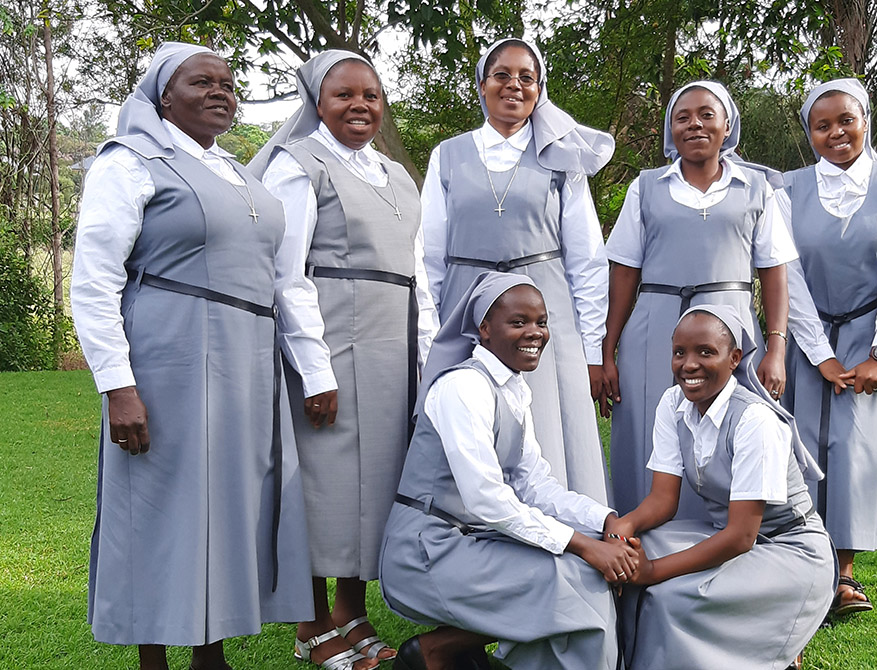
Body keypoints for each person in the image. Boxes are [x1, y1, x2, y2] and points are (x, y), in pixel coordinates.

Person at [71, 42, 335, 670]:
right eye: (201, 82)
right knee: (162, 507)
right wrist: (118, 387)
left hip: (246, 363)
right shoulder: (130, 163)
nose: (221, 91)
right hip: (171, 359)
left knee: (224, 508)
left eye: (228, 82)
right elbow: (94, 279)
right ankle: (154, 660)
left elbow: (282, 278)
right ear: (163, 96)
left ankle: (209, 654)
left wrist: (308, 364)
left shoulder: (238, 172)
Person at [249, 50, 437, 670]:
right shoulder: (299, 165)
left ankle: (351, 613)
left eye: (372, 96)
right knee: (325, 485)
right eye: (344, 95)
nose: (361, 106)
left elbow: (419, 276)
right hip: (332, 340)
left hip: (393, 344)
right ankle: (311, 623)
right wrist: (315, 368)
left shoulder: (396, 174)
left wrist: (427, 358)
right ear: (316, 103)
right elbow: (287, 273)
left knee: (377, 482)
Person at [379, 272, 636, 670]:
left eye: (541, 322)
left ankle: (452, 651)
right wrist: (585, 545)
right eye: (519, 322)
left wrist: (603, 520)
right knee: (573, 576)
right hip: (426, 551)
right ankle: (435, 652)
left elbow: (534, 485)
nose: (534, 333)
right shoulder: (463, 388)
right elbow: (487, 499)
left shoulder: (512, 388)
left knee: (581, 568)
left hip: (471, 541)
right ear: (484, 328)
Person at [421, 37, 613, 503]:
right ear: (482, 86)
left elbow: (586, 259)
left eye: (526, 77)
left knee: (548, 430)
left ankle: (564, 551)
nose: (514, 85)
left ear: (539, 89)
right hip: (470, 314)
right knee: (472, 425)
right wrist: (430, 338)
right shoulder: (448, 155)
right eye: (501, 75)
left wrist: (590, 349)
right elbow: (428, 257)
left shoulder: (561, 158)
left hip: (544, 314)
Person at [603, 80, 797, 514]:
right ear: (670, 130)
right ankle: (640, 547)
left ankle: (722, 543)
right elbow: (623, 272)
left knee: (729, 427)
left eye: (707, 114)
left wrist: (777, 347)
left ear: (728, 125)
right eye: (682, 117)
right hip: (653, 331)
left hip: (732, 332)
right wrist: (608, 349)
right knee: (646, 434)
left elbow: (773, 272)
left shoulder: (756, 188)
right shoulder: (646, 187)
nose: (695, 124)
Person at [608, 305, 835, 670]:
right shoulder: (673, 403)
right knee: (628, 556)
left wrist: (653, 572)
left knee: (669, 594)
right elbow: (663, 500)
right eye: (679, 352)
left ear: (734, 359)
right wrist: (626, 526)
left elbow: (741, 537)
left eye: (705, 352)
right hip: (726, 533)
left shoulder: (755, 421)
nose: (689, 364)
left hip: (788, 550)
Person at [778, 78, 877, 616]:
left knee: (855, 449)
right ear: (809, 133)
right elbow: (784, 276)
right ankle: (802, 567)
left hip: (870, 333)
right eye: (823, 125)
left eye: (846, 120)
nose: (836, 132)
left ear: (865, 119)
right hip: (804, 334)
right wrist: (819, 354)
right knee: (803, 448)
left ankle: (843, 575)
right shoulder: (786, 190)